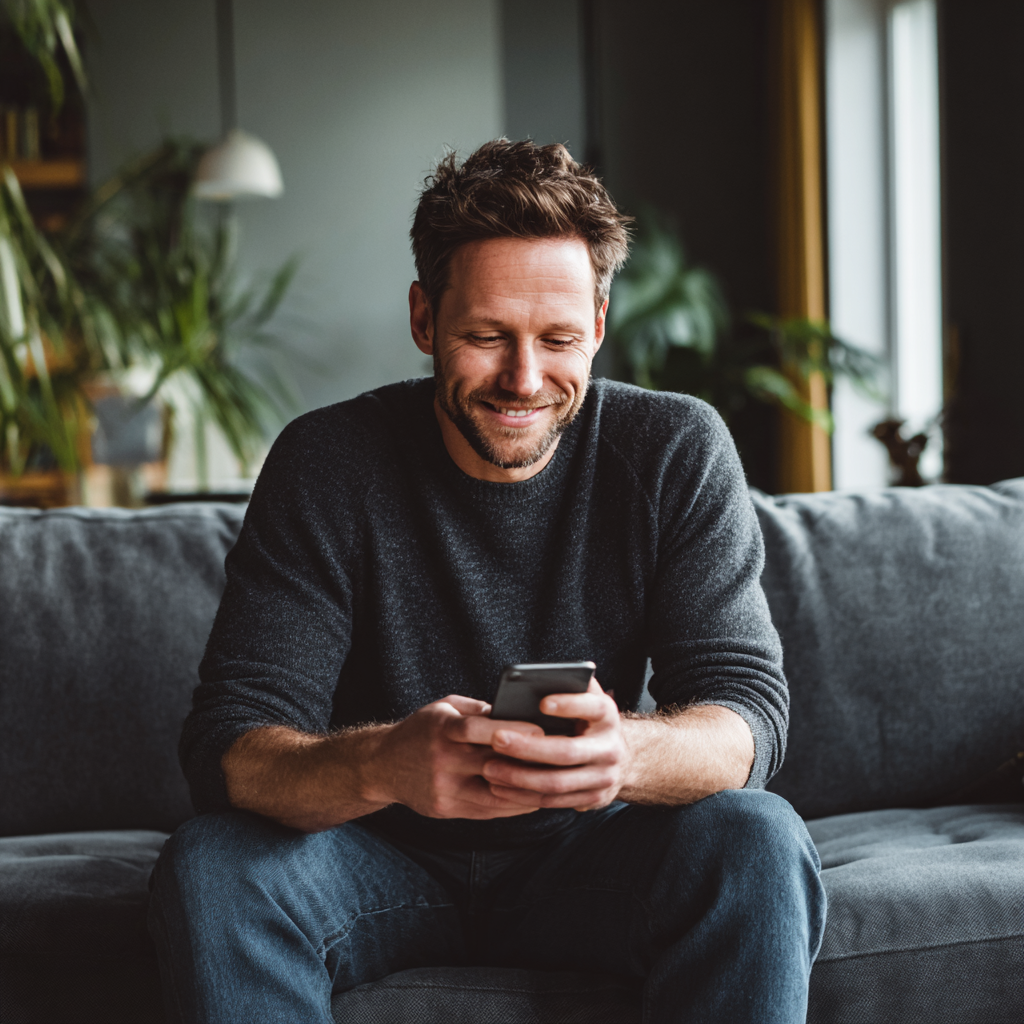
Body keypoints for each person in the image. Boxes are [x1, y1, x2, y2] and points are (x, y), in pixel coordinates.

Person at [148, 139, 826, 1023]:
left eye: (558, 339)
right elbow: (230, 748)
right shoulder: (326, 462)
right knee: (211, 862)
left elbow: (746, 716)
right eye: (485, 336)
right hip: (372, 860)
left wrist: (622, 754)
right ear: (425, 319)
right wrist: (382, 764)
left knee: (759, 836)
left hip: (592, 859)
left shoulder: (674, 449)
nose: (524, 379)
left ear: (601, 321)